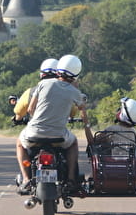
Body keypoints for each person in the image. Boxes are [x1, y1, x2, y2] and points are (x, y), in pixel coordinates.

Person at [17, 54, 87, 194]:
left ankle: (25, 180)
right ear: (76, 73)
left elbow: (30, 109)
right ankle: (71, 179)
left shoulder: (42, 84)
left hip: (34, 133)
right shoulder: (75, 92)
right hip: (58, 136)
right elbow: (82, 113)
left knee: (19, 143)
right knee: (73, 143)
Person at [12, 58, 59, 125]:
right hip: (58, 129)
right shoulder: (65, 91)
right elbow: (72, 111)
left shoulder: (30, 92)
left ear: (42, 73)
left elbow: (19, 113)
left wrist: (17, 120)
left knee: (23, 135)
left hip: (36, 129)